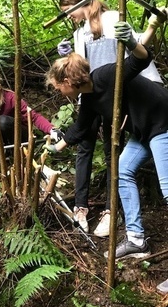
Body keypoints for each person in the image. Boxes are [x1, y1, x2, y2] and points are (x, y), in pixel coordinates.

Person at [45, 23, 168, 286]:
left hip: (162, 122)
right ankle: (136, 239)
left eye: (57, 86)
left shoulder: (106, 75)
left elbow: (140, 60)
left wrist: (133, 40)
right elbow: (80, 127)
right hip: (143, 131)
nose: (57, 91)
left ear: (67, 82)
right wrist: (57, 147)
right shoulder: (88, 98)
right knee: (123, 170)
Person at [56, 0, 166, 237]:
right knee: (96, 151)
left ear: (81, 3)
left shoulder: (112, 18)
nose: (69, 17)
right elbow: (79, 69)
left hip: (127, 97)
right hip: (95, 96)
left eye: (69, 11)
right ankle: (85, 210)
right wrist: (69, 55)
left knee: (112, 151)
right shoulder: (81, 30)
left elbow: (137, 51)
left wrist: (149, 28)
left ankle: (109, 211)